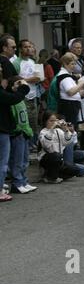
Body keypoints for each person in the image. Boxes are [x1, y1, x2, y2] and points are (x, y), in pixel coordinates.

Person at [0, 72, 30, 202]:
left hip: (12, 130)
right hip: (5, 130)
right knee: (4, 162)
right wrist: (23, 87)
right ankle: (10, 185)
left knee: (21, 159)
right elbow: (10, 99)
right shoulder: (4, 94)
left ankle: (21, 181)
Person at [8, 76, 37, 194]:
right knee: (17, 160)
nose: (19, 86)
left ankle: (24, 181)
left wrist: (28, 130)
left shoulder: (22, 100)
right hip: (17, 133)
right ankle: (17, 182)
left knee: (25, 159)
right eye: (16, 84)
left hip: (25, 132)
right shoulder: (12, 100)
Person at [38, 112, 79, 184]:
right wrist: (52, 129)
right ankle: (51, 178)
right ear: (45, 121)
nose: (54, 123)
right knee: (56, 155)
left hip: (59, 161)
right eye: (51, 121)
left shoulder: (59, 131)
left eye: (55, 121)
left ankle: (51, 175)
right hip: (47, 160)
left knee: (75, 170)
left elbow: (67, 142)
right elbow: (46, 146)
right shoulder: (43, 132)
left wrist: (66, 130)